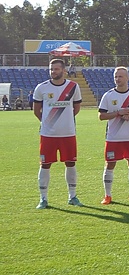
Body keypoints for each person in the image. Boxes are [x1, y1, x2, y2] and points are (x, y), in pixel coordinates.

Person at [33, 58, 83, 209]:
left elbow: (76, 108)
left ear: (63, 70)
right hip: (48, 135)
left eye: (56, 69)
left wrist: (65, 121)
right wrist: (49, 123)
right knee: (45, 164)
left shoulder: (73, 87)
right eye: (51, 69)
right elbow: (36, 110)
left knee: (71, 163)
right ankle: (43, 199)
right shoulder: (41, 88)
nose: (53, 72)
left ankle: (72, 196)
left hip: (68, 133)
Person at [98, 67, 129, 204]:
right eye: (116, 77)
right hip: (113, 137)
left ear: (127, 78)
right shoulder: (108, 95)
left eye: (120, 76)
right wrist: (118, 113)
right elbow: (101, 116)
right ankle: (107, 195)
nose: (118, 79)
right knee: (110, 164)